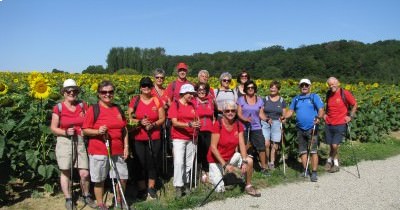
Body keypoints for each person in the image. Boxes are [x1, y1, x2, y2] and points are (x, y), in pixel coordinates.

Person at [82, 80, 129, 209]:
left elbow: (124, 129)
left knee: (122, 177)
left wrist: (126, 146)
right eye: (104, 92)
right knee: (99, 180)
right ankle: (101, 204)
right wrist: (98, 131)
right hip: (99, 150)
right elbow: (85, 129)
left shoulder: (118, 108)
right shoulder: (93, 109)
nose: (107, 94)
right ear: (99, 94)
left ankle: (120, 201)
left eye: (110, 92)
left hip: (118, 150)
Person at [50, 79, 96, 210]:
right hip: (65, 141)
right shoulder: (58, 107)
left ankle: (86, 195)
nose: (72, 93)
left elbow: (89, 120)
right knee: (66, 171)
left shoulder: (82, 105)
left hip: (80, 140)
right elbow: (53, 128)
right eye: (69, 91)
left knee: (84, 173)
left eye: (74, 91)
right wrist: (65, 131)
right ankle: (69, 198)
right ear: (64, 93)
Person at [207, 100, 260, 197]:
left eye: (233, 110)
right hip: (216, 160)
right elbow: (213, 147)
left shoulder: (238, 125)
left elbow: (241, 144)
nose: (230, 113)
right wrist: (224, 165)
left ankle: (248, 185)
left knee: (249, 160)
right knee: (220, 190)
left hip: (230, 157)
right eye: (227, 111)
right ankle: (206, 177)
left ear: (236, 112)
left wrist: (244, 161)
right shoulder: (218, 125)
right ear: (223, 112)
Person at [127, 77, 165, 200]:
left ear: (151, 87)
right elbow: (129, 118)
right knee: (139, 163)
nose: (146, 87)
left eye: (148, 85)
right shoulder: (135, 100)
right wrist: (139, 122)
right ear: (140, 87)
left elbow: (162, 118)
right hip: (138, 137)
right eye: (144, 85)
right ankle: (142, 189)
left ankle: (151, 188)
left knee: (152, 162)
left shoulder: (156, 100)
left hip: (154, 136)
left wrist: (153, 124)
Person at [284, 78, 324, 182]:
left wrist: (319, 118)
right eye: (302, 85)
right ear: (299, 87)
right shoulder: (296, 99)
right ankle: (305, 170)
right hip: (300, 128)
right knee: (302, 151)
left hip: (312, 128)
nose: (304, 87)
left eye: (306, 85)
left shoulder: (314, 97)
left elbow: (321, 109)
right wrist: (284, 117)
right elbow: (291, 111)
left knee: (313, 151)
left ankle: (314, 172)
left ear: (310, 86)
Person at [168, 84, 201, 198]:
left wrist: (197, 124)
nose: (192, 96)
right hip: (178, 138)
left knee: (188, 162)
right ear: (183, 93)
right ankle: (178, 186)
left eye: (193, 94)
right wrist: (189, 124)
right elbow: (174, 122)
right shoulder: (175, 104)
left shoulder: (192, 105)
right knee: (179, 162)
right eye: (190, 94)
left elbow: (197, 118)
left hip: (191, 138)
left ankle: (186, 184)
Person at [324, 77, 357, 173]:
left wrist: (350, 116)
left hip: (340, 123)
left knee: (335, 145)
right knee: (331, 145)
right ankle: (335, 163)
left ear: (338, 83)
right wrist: (325, 114)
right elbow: (328, 106)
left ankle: (330, 160)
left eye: (333, 84)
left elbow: (354, 104)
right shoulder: (328, 93)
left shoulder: (345, 93)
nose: (331, 86)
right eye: (330, 85)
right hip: (329, 122)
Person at [237, 80, 268, 175]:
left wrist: (267, 119)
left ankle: (264, 168)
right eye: (248, 87)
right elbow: (239, 113)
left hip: (256, 127)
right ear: (245, 89)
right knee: (244, 147)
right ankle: (244, 167)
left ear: (255, 89)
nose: (250, 89)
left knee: (261, 147)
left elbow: (261, 114)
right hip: (244, 127)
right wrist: (245, 119)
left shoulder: (259, 100)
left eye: (252, 87)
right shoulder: (241, 99)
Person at [260, 81, 287, 170]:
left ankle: (272, 162)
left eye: (274, 88)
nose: (272, 89)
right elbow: (261, 112)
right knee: (266, 143)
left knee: (275, 144)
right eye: (271, 87)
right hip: (266, 122)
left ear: (278, 89)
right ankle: (267, 160)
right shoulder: (265, 99)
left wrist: (283, 119)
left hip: (277, 122)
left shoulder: (282, 100)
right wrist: (266, 119)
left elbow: (284, 113)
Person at [194, 82, 215, 183]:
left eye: (204, 90)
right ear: (196, 91)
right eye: (199, 90)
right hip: (198, 130)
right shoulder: (194, 102)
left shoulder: (211, 101)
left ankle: (206, 170)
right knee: (199, 151)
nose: (202, 92)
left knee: (208, 151)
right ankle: (200, 171)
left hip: (209, 129)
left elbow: (214, 116)